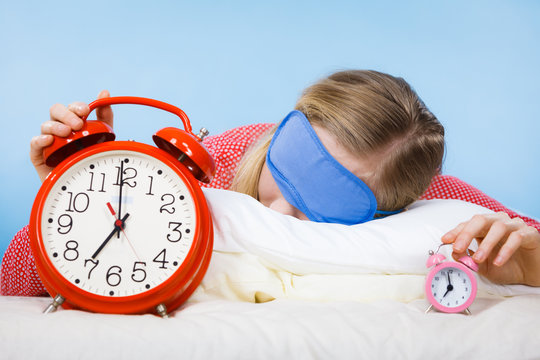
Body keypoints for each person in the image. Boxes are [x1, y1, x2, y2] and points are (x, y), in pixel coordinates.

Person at [1, 70, 539, 297]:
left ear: (392, 206)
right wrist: (67, 191)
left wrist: (526, 264)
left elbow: (525, 239)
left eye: (326, 203)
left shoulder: (439, 202)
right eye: (284, 173)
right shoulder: (232, 154)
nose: (277, 211)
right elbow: (13, 287)